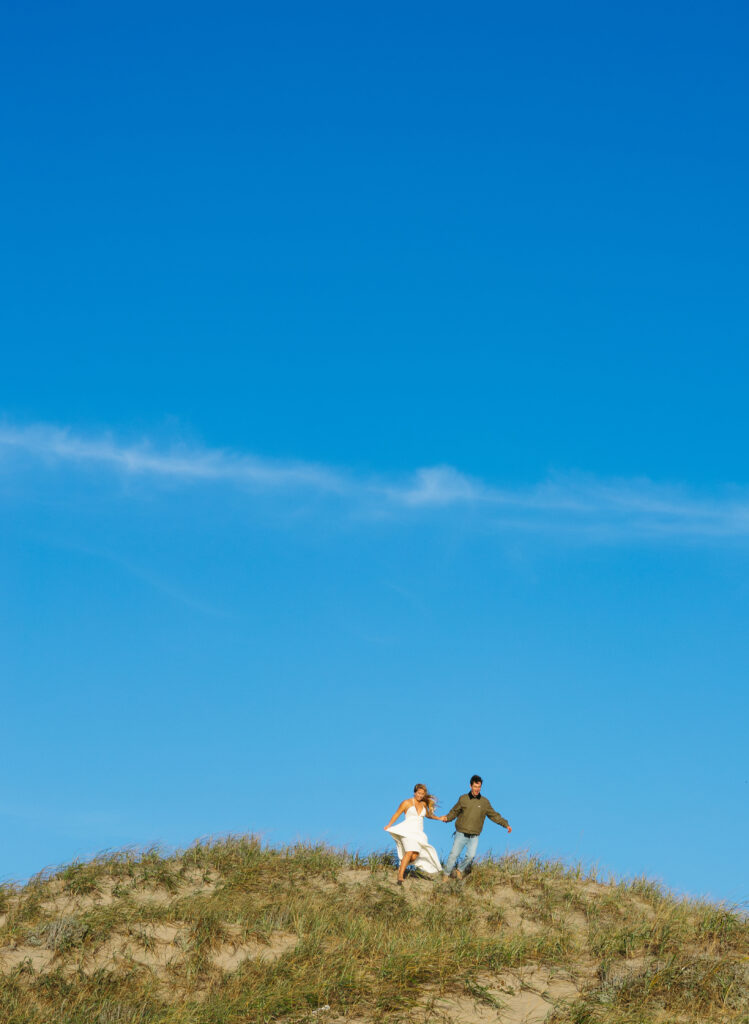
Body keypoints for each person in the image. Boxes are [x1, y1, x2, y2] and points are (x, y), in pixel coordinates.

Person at [442, 774, 512, 879]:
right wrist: (447, 818)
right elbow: (454, 811)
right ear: (470, 786)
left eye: (479, 787)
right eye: (475, 787)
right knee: (454, 855)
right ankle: (446, 874)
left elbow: (494, 815)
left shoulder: (484, 802)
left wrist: (505, 824)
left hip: (474, 835)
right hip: (461, 833)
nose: (477, 789)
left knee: (470, 856)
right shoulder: (463, 799)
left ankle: (459, 870)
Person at [384, 783, 447, 883]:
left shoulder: (423, 804)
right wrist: (389, 824)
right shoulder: (406, 803)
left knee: (414, 856)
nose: (420, 796)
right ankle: (400, 876)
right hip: (407, 831)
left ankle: (402, 865)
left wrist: (439, 818)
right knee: (409, 852)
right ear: (414, 792)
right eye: (418, 793)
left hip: (418, 833)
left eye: (422, 794)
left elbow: (428, 815)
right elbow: (397, 814)